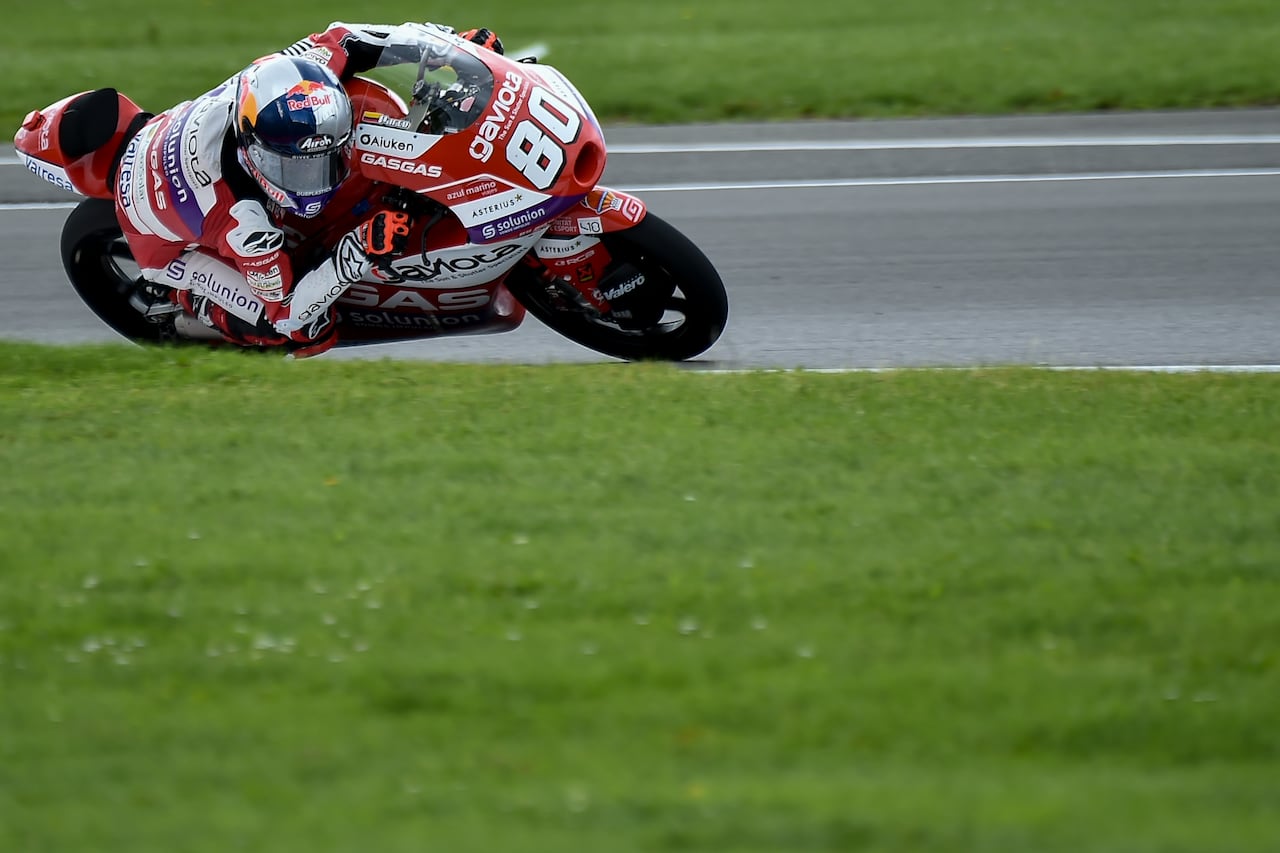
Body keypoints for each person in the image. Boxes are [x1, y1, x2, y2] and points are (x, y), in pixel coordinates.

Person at [115, 23, 505, 356]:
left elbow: (348, 35)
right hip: (160, 238)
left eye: (323, 162)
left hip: (175, 137)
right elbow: (288, 310)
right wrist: (360, 249)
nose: (316, 181)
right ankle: (182, 298)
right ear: (255, 153)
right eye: (295, 168)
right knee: (300, 331)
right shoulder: (244, 225)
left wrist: (455, 49)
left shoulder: (303, 71)